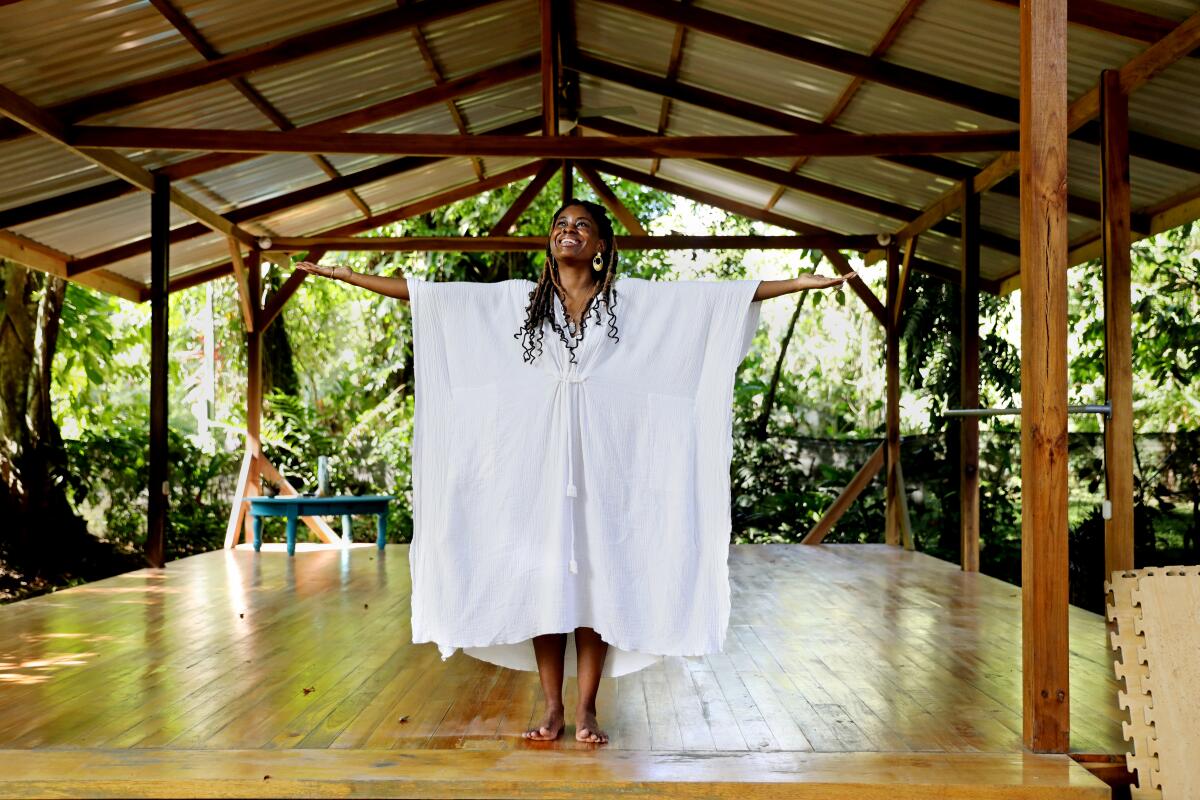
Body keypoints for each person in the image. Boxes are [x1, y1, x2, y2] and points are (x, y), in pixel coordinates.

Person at [296, 200, 855, 744]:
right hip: (537, 474)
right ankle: (553, 707)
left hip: (604, 475)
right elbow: (433, 300)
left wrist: (801, 284)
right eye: (561, 224)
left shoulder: (628, 303)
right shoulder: (519, 302)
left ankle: (586, 708)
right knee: (547, 583)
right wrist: (348, 275)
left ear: (601, 247)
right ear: (550, 241)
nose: (569, 230)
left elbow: (713, 302)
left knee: (596, 584)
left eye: (582, 225)